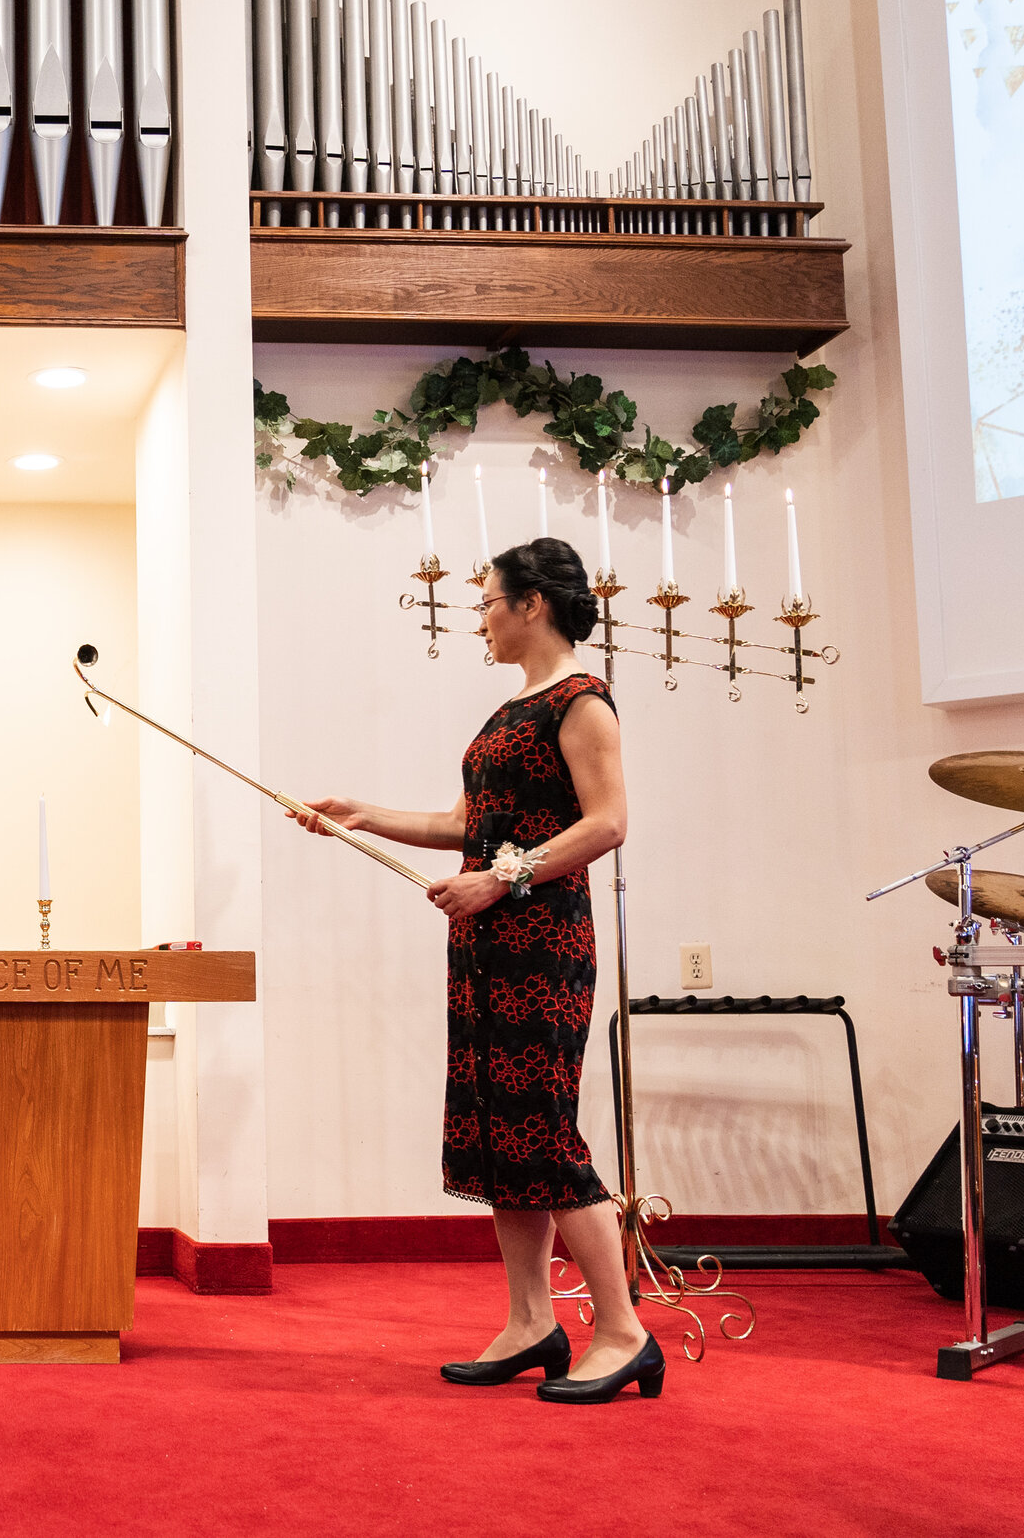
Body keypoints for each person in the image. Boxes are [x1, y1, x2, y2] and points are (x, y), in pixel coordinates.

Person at [301, 535, 658, 1404]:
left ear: (532, 603)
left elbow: (608, 823)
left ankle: (623, 1330)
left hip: (543, 944)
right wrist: (363, 815)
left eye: (490, 602)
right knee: (499, 1131)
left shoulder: (582, 703)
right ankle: (532, 1320)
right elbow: (467, 824)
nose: (483, 620)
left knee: (542, 1130)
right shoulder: (509, 712)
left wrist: (500, 879)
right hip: (488, 943)